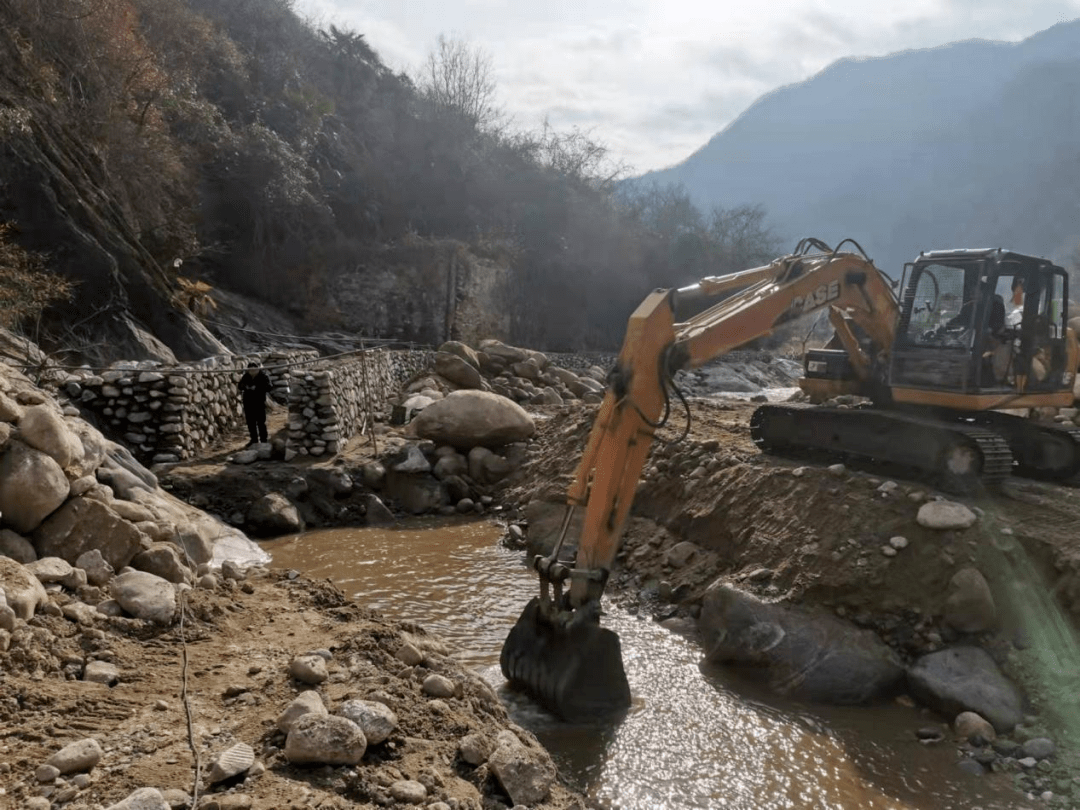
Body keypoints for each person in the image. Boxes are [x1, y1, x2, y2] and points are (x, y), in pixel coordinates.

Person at [238, 362, 272, 445]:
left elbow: (269, 387)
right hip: (248, 402)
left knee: (261, 422)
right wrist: (245, 387)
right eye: (250, 369)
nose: (252, 371)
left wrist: (257, 388)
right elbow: (240, 386)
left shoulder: (263, 376)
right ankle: (254, 440)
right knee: (250, 422)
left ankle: (264, 439)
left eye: (254, 369)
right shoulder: (246, 376)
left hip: (259, 402)